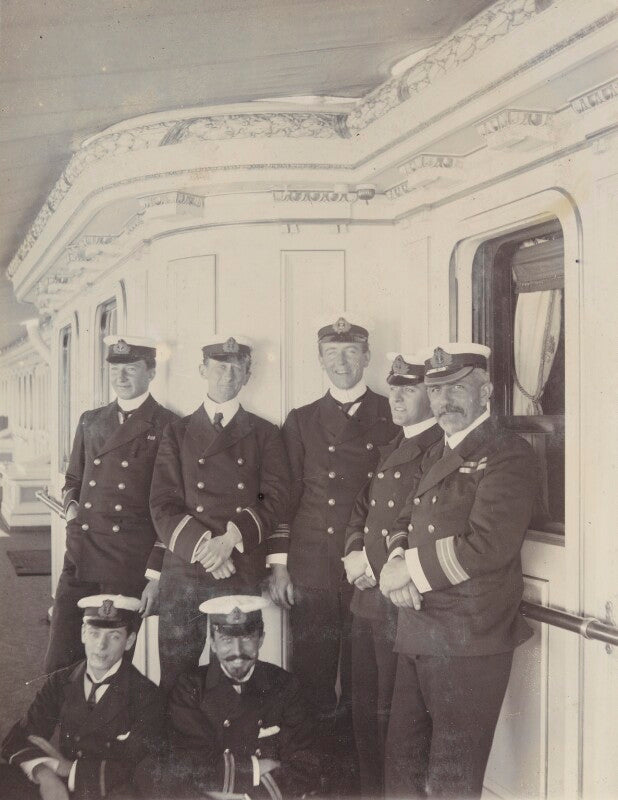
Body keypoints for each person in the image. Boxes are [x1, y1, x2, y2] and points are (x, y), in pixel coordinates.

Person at [379, 343, 538, 799]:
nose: (443, 401)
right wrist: (396, 563)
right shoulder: (435, 452)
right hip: (419, 625)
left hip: (470, 637)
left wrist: (407, 569)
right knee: (403, 768)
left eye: (456, 389)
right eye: (435, 390)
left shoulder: (509, 454)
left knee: (452, 779)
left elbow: (488, 546)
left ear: (485, 390)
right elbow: (403, 522)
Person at [269, 314, 397, 789]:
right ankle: (312, 777)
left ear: (366, 357)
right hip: (314, 565)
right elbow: (284, 495)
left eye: (350, 353)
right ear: (319, 360)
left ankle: (357, 783)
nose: (341, 362)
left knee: (365, 681)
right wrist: (279, 564)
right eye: (331, 354)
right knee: (313, 675)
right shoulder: (301, 420)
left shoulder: (392, 413)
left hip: (370, 566)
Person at [149, 335, 290, 691]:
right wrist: (207, 549)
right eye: (218, 366)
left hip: (239, 567)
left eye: (236, 367)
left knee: (234, 672)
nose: (227, 374)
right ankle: (178, 749)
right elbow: (163, 503)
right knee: (176, 676)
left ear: (247, 373)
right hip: (186, 570)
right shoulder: (176, 432)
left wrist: (230, 540)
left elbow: (275, 498)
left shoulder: (264, 433)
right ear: (202, 370)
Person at [44, 336, 179, 674]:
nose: (121, 377)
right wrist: (72, 509)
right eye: (115, 369)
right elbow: (73, 480)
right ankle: (58, 723)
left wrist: (156, 573)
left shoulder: (169, 425)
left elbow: (173, 505)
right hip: (81, 550)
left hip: (127, 560)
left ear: (150, 372)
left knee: (110, 657)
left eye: (131, 369)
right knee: (61, 649)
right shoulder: (91, 420)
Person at [342, 352, 442, 798]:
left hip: (401, 604)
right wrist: (354, 554)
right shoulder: (394, 444)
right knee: (362, 709)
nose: (397, 397)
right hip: (367, 598)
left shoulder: (439, 448)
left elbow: (424, 523)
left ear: (432, 395)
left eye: (410, 388)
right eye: (394, 388)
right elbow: (362, 509)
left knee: (393, 718)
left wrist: (378, 564)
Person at [135, 593, 320, 800]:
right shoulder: (190, 688)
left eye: (247, 638)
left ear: (261, 639)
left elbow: (304, 767)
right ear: (212, 643)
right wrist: (256, 769)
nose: (237, 651)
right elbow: (185, 764)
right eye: (226, 640)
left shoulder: (285, 686)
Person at [1, 595, 165, 800]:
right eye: (94, 634)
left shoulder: (146, 693)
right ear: (83, 634)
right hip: (58, 777)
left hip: (107, 787)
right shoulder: (60, 681)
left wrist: (71, 771)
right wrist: (45, 774)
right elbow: (22, 736)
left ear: (129, 641)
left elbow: (138, 765)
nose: (101, 646)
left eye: (113, 636)